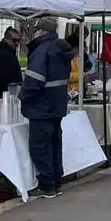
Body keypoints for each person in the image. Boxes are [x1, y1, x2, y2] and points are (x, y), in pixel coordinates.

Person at [20, 20, 74, 198]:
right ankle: (56, 181)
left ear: (40, 32)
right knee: (54, 144)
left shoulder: (41, 51)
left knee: (39, 147)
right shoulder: (60, 49)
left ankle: (47, 184)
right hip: (56, 104)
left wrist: (23, 97)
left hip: (41, 106)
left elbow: (33, 81)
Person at [0, 27, 24, 98]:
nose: (17, 43)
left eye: (18, 40)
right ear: (6, 39)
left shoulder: (5, 50)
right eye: (14, 40)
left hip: (4, 90)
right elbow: (10, 74)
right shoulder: (5, 53)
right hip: (6, 91)